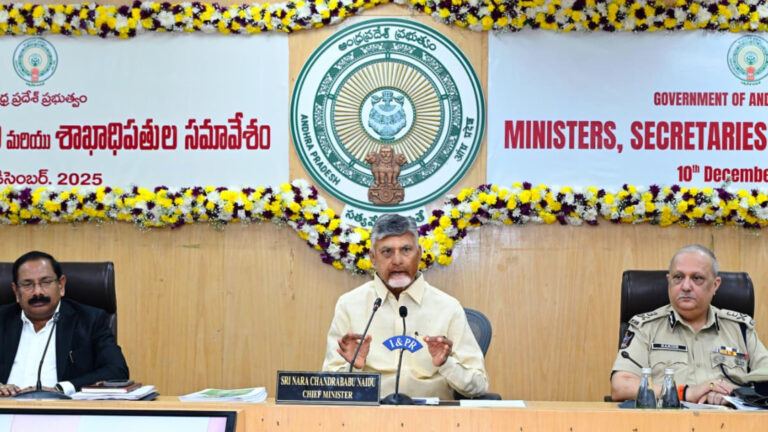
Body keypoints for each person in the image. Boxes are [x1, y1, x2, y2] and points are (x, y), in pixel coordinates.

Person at [322, 214, 488, 400]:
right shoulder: (349, 305)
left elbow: (479, 385)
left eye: (406, 250)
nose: (397, 260)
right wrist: (351, 366)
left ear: (419, 254)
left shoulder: (447, 307)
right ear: (373, 258)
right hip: (369, 418)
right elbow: (328, 386)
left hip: (432, 421)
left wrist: (446, 363)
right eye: (387, 252)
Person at [611, 245, 768, 405]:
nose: (685, 286)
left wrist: (733, 393)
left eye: (697, 278)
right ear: (669, 281)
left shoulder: (740, 329)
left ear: (715, 285)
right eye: (678, 277)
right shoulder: (646, 327)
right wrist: (684, 393)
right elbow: (620, 386)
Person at [0, 251, 129, 397]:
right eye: (27, 284)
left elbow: (117, 370)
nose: (37, 292)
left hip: (64, 412)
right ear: (16, 291)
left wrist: (62, 389)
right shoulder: (2, 319)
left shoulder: (90, 320)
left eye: (46, 282)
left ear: (61, 285)